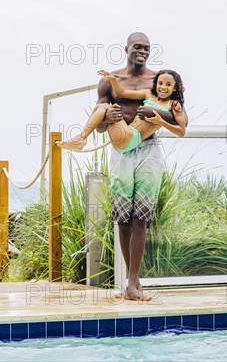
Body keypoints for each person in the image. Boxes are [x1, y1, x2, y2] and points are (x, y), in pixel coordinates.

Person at [67, 32, 186, 301]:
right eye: (137, 47)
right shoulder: (110, 82)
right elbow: (99, 125)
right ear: (127, 49)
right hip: (121, 150)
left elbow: (181, 119)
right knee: (122, 218)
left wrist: (156, 115)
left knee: (141, 217)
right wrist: (107, 115)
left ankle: (133, 282)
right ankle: (130, 283)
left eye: (146, 48)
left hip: (149, 150)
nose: (142, 51)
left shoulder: (159, 82)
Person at [57, 68, 186, 152]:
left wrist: (161, 121)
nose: (163, 87)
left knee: (104, 107)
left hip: (132, 138)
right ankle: (81, 139)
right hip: (125, 134)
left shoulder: (174, 105)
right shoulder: (148, 94)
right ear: (156, 84)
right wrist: (113, 79)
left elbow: (181, 131)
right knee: (100, 107)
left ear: (175, 88)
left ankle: (81, 139)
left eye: (168, 85)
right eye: (160, 83)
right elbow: (122, 92)